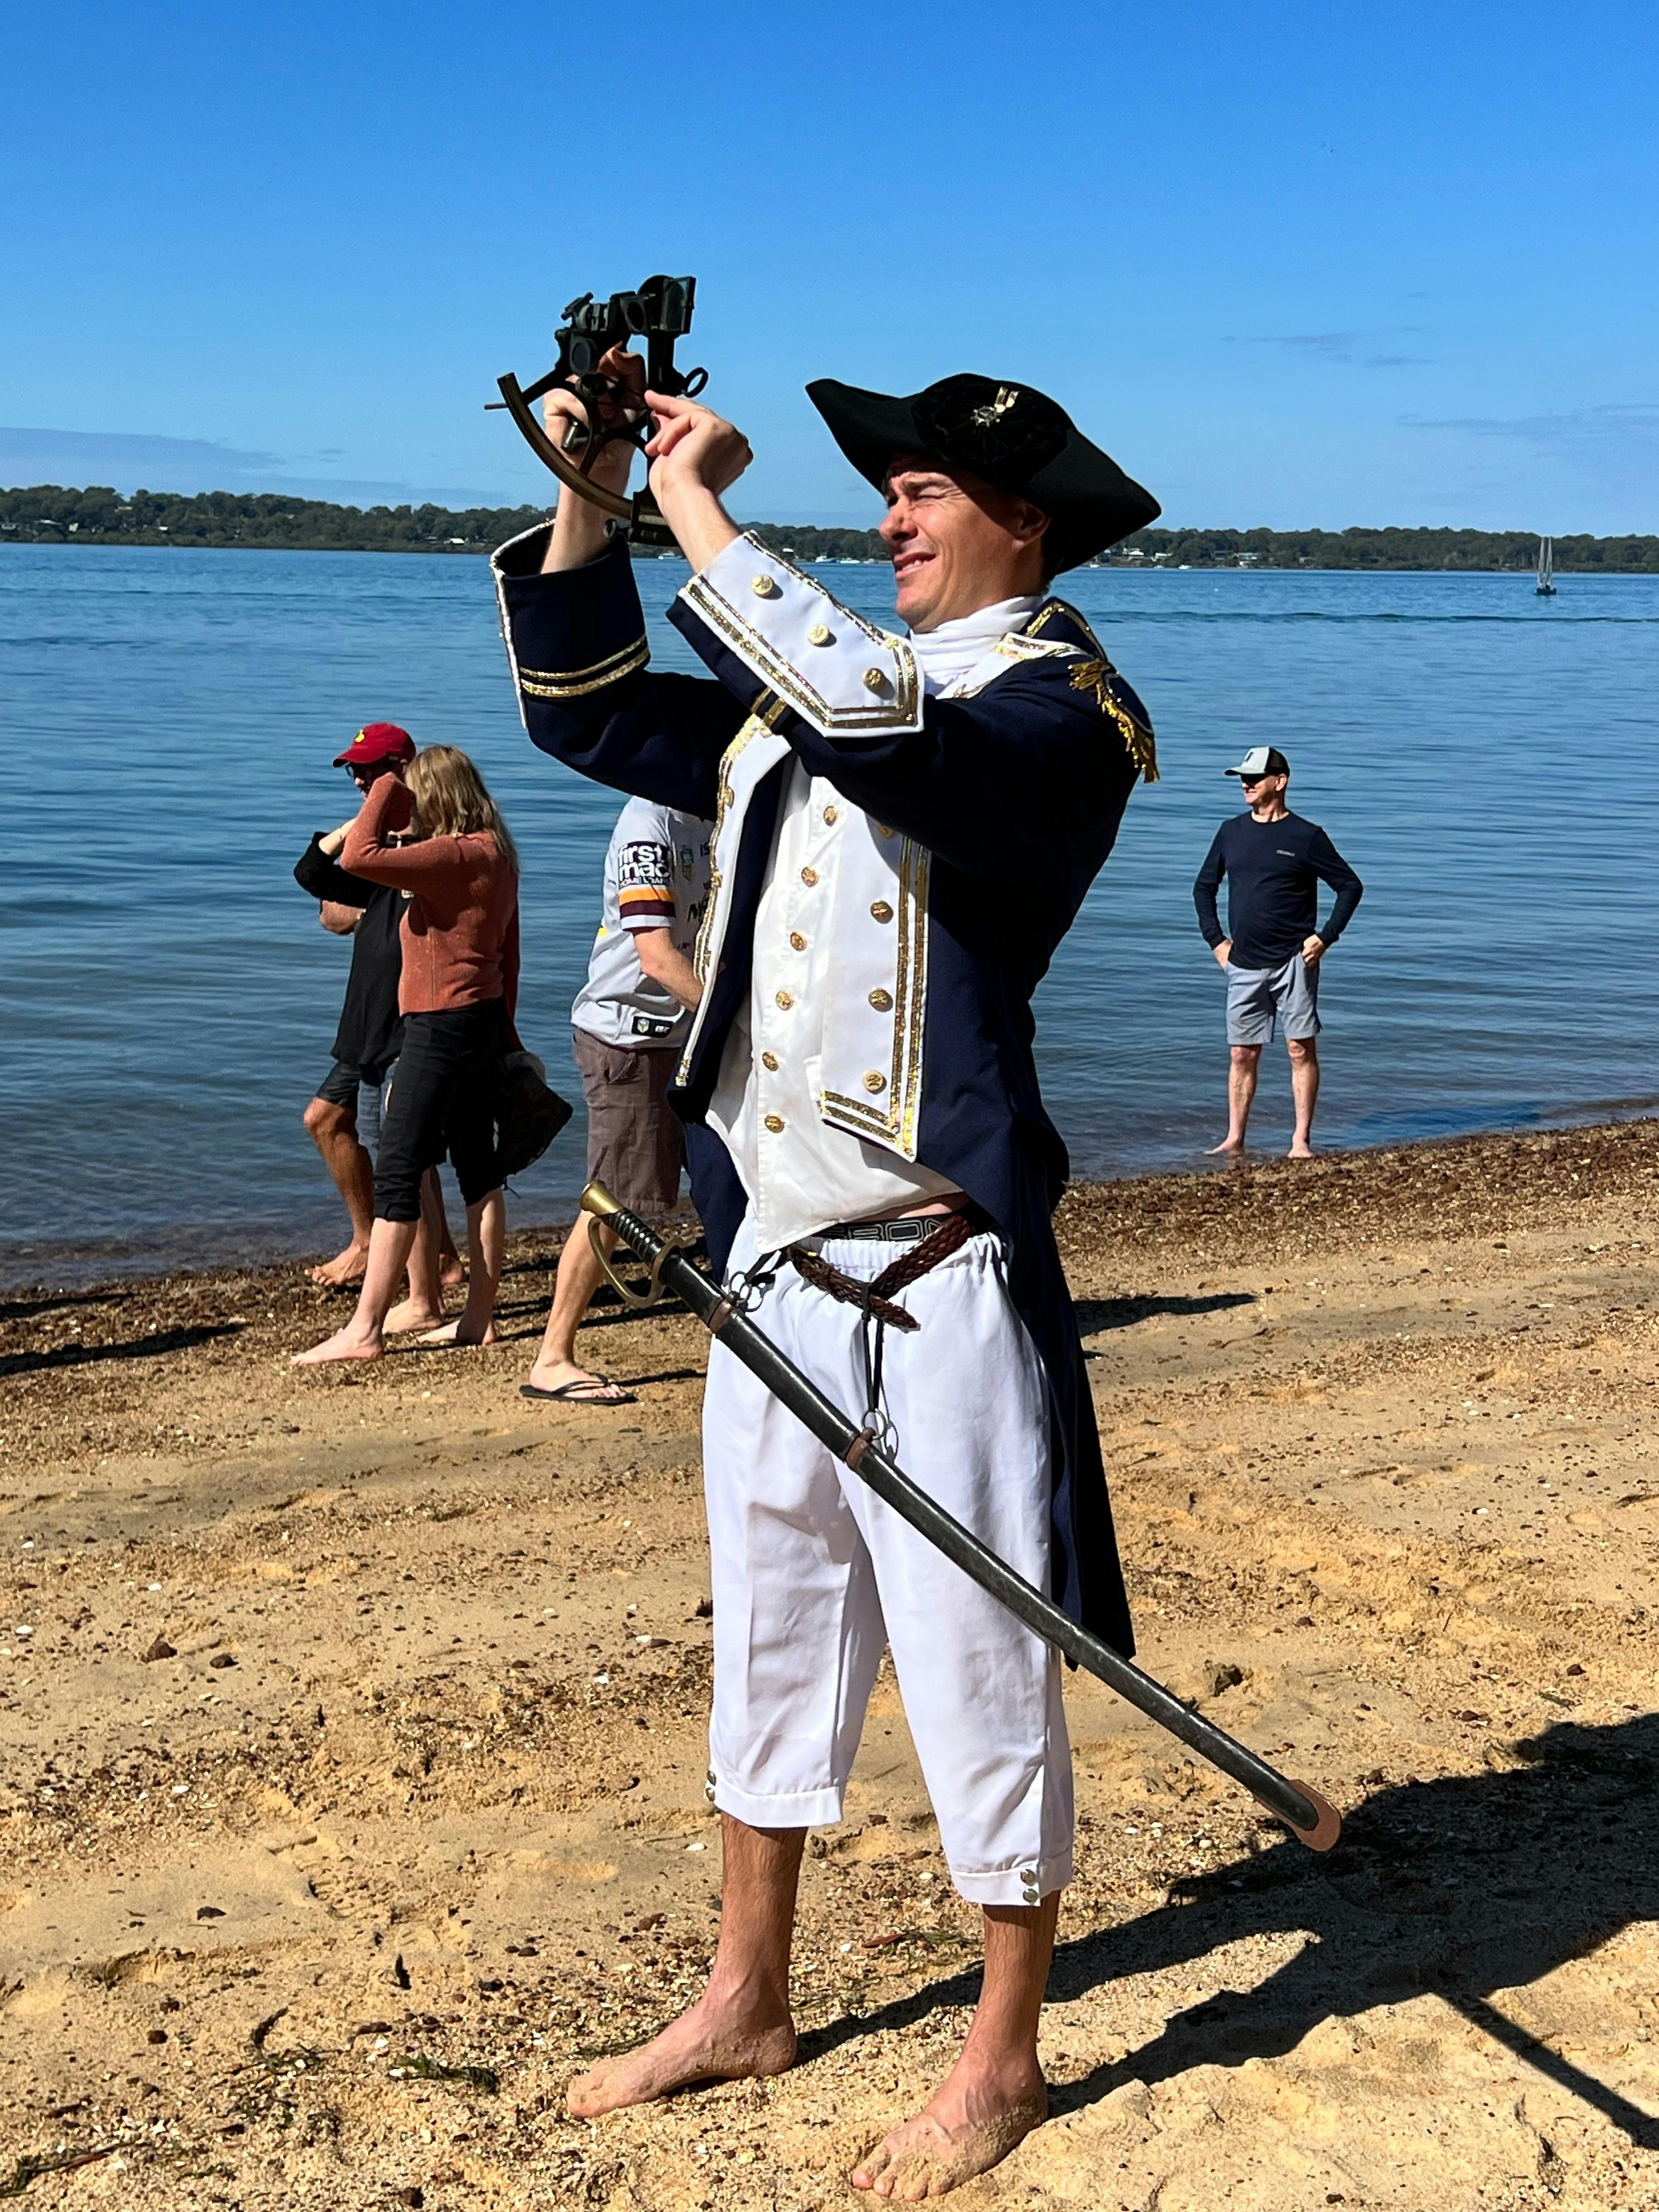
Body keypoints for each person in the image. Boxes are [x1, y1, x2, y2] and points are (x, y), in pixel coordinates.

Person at [491, 351, 1159, 2195]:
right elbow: (581, 702)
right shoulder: (812, 683)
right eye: (888, 495)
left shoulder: (1062, 708)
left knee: (974, 1669)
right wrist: (602, 490)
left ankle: (1002, 2062)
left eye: (925, 497)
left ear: (1025, 521)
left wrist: (702, 508)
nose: (889, 521)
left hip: (942, 1277)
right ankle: (744, 1995)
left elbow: (884, 722)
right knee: (770, 1653)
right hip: (778, 1267)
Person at [292, 745, 521, 1366]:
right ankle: (478, 1319)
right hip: (478, 1024)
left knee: (397, 1170)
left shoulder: (449, 855)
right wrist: (510, 1037)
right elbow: (511, 953)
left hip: (435, 1027)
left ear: (435, 796)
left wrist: (382, 795)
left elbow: (360, 854)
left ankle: (365, 1329)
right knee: (479, 1171)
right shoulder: (496, 853)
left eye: (415, 793)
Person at [521, 797, 710, 1406]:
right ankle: (552, 1357)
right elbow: (655, 956)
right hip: (630, 1035)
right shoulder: (646, 826)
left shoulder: (714, 814)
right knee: (614, 1202)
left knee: (721, 1178)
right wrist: (730, 1018)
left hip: (685, 1034)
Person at [293, 721, 463, 1321]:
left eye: (371, 770)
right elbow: (317, 884)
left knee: (404, 1151)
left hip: (404, 1020)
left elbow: (334, 900)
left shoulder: (427, 842)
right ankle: (386, 1246)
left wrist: (381, 823)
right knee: (332, 1124)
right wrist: (366, 818)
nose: (360, 780)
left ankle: (427, 1277)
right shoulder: (383, 843)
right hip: (364, 1020)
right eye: (355, 773)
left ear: (405, 768)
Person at [1192, 744, 1363, 1159]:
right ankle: (1235, 1137)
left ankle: (1300, 1140)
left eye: (1254, 777)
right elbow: (1203, 888)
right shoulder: (1230, 831)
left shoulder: (1306, 837)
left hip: (1294, 961)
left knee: (1300, 1048)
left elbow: (1350, 886)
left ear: (1280, 782)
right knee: (1241, 1052)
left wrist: (1326, 937)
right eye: (1243, 778)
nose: (1246, 784)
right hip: (1244, 962)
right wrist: (1217, 942)